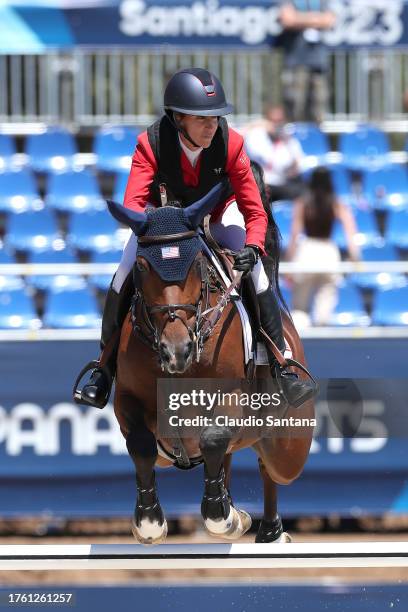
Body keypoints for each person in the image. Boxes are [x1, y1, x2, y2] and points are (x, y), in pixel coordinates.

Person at [75, 68, 317, 409]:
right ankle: (104, 370)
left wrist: (253, 247)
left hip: (220, 215)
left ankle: (282, 363)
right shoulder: (151, 143)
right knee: (123, 273)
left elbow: (255, 209)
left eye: (216, 117)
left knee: (258, 274)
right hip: (166, 223)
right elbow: (133, 203)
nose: (212, 125)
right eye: (202, 118)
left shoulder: (231, 144)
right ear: (178, 119)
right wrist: (162, 223)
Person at [286, 166, 360, 326]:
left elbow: (294, 234)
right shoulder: (336, 203)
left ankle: (300, 349)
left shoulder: (302, 202)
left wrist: (289, 262)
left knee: (299, 309)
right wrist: (355, 258)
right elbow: (350, 229)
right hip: (329, 254)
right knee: (324, 310)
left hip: (306, 253)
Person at [277, 1, 336, 123]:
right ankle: (294, 136)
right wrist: (316, 18)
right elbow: (288, 19)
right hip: (296, 61)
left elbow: (329, 20)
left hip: (319, 62)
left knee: (320, 102)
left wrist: (301, 18)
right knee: (295, 104)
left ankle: (316, 137)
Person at [244, 105, 305, 203]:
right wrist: (257, 124)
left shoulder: (289, 141)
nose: (276, 124)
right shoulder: (256, 136)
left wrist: (285, 141)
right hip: (260, 183)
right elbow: (265, 157)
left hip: (282, 183)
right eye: (273, 121)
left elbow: (298, 164)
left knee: (304, 192)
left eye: (280, 120)